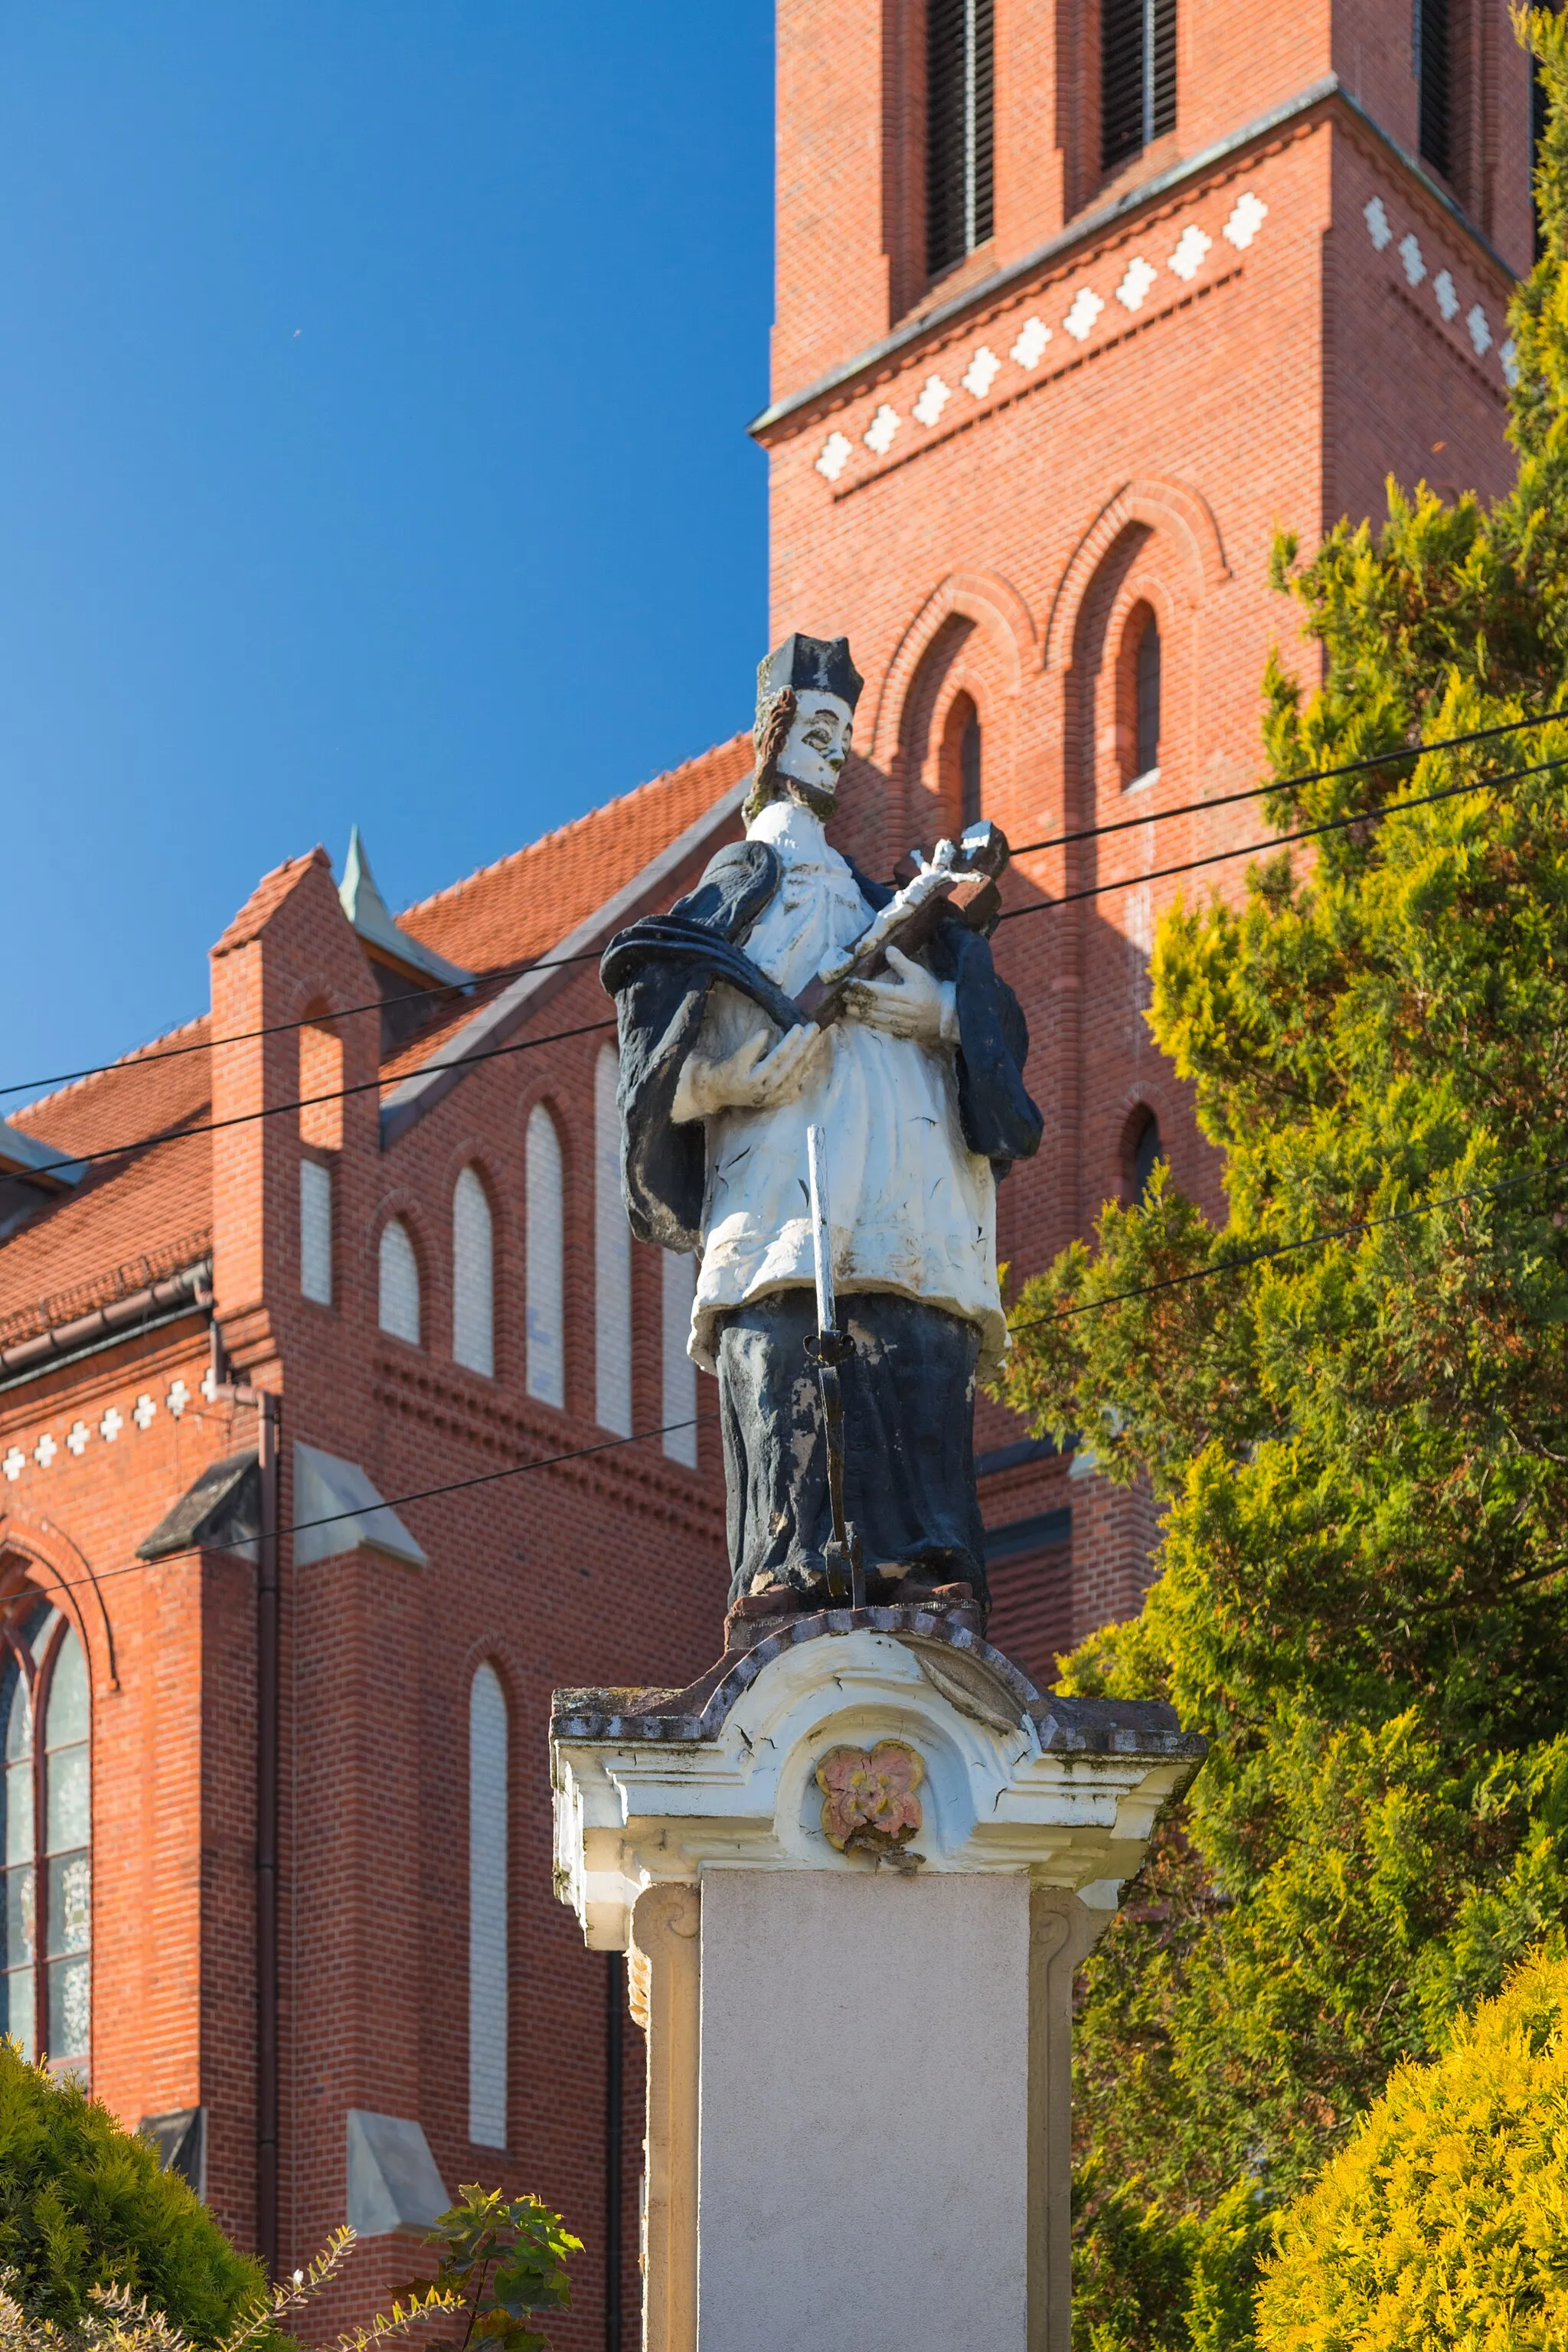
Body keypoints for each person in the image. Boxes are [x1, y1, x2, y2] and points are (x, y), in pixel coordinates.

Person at [601, 633, 1040, 1609]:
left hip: (904, 1193)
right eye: (818, 726)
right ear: (772, 734)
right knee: (784, 1351)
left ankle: (922, 1561)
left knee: (910, 1349)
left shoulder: (882, 899)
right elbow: (657, 1033)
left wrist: (938, 1018)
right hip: (780, 1189)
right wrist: (723, 1083)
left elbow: (992, 1024)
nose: (835, 747)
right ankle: (788, 1561)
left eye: (846, 730)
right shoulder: (738, 885)